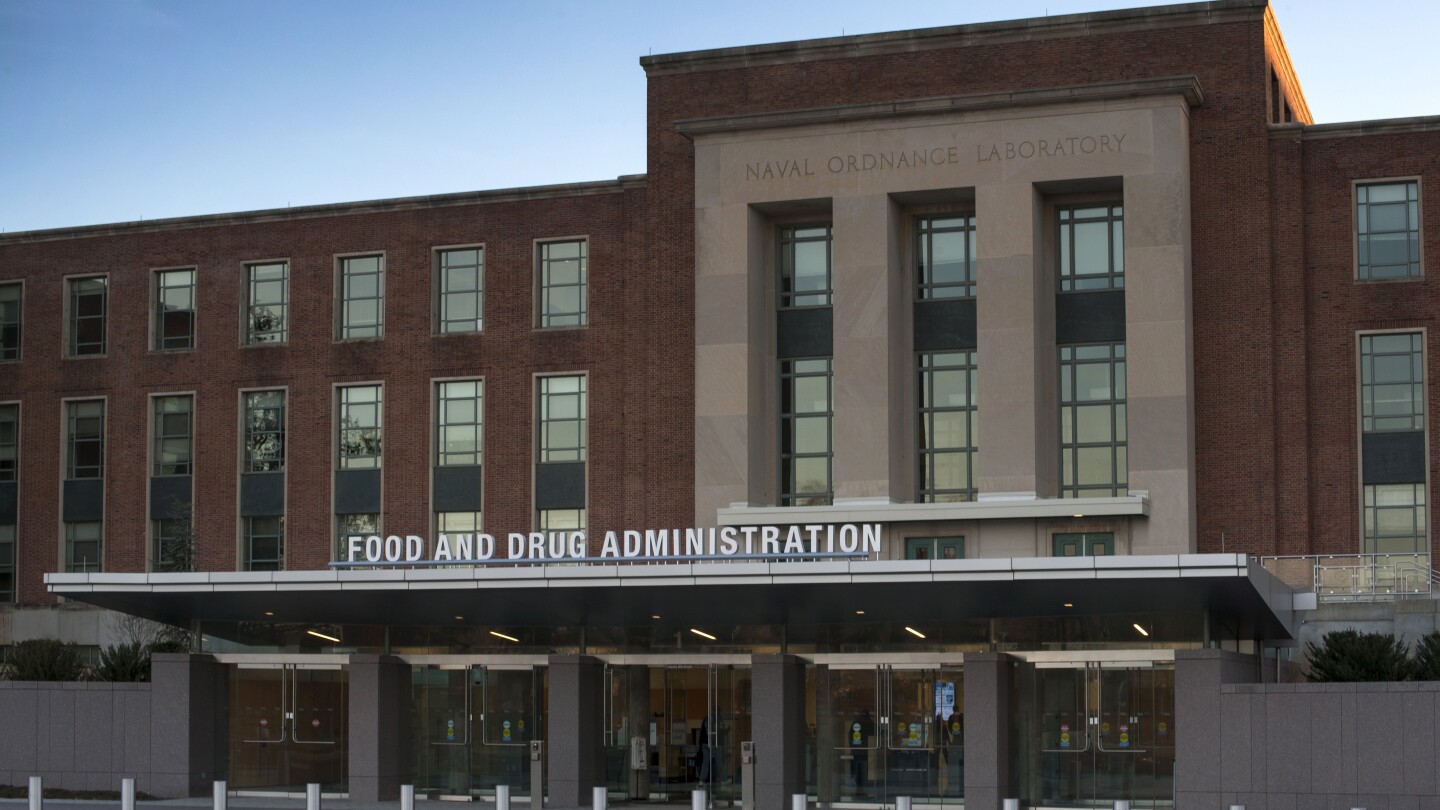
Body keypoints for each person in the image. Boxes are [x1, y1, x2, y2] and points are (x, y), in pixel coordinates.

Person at [851, 709, 875, 792]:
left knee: (857, 765)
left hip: (857, 748)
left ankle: (859, 783)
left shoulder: (856, 723)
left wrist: (852, 746)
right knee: (864, 766)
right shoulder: (870, 723)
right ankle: (863, 782)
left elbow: (850, 735)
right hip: (866, 749)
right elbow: (877, 732)